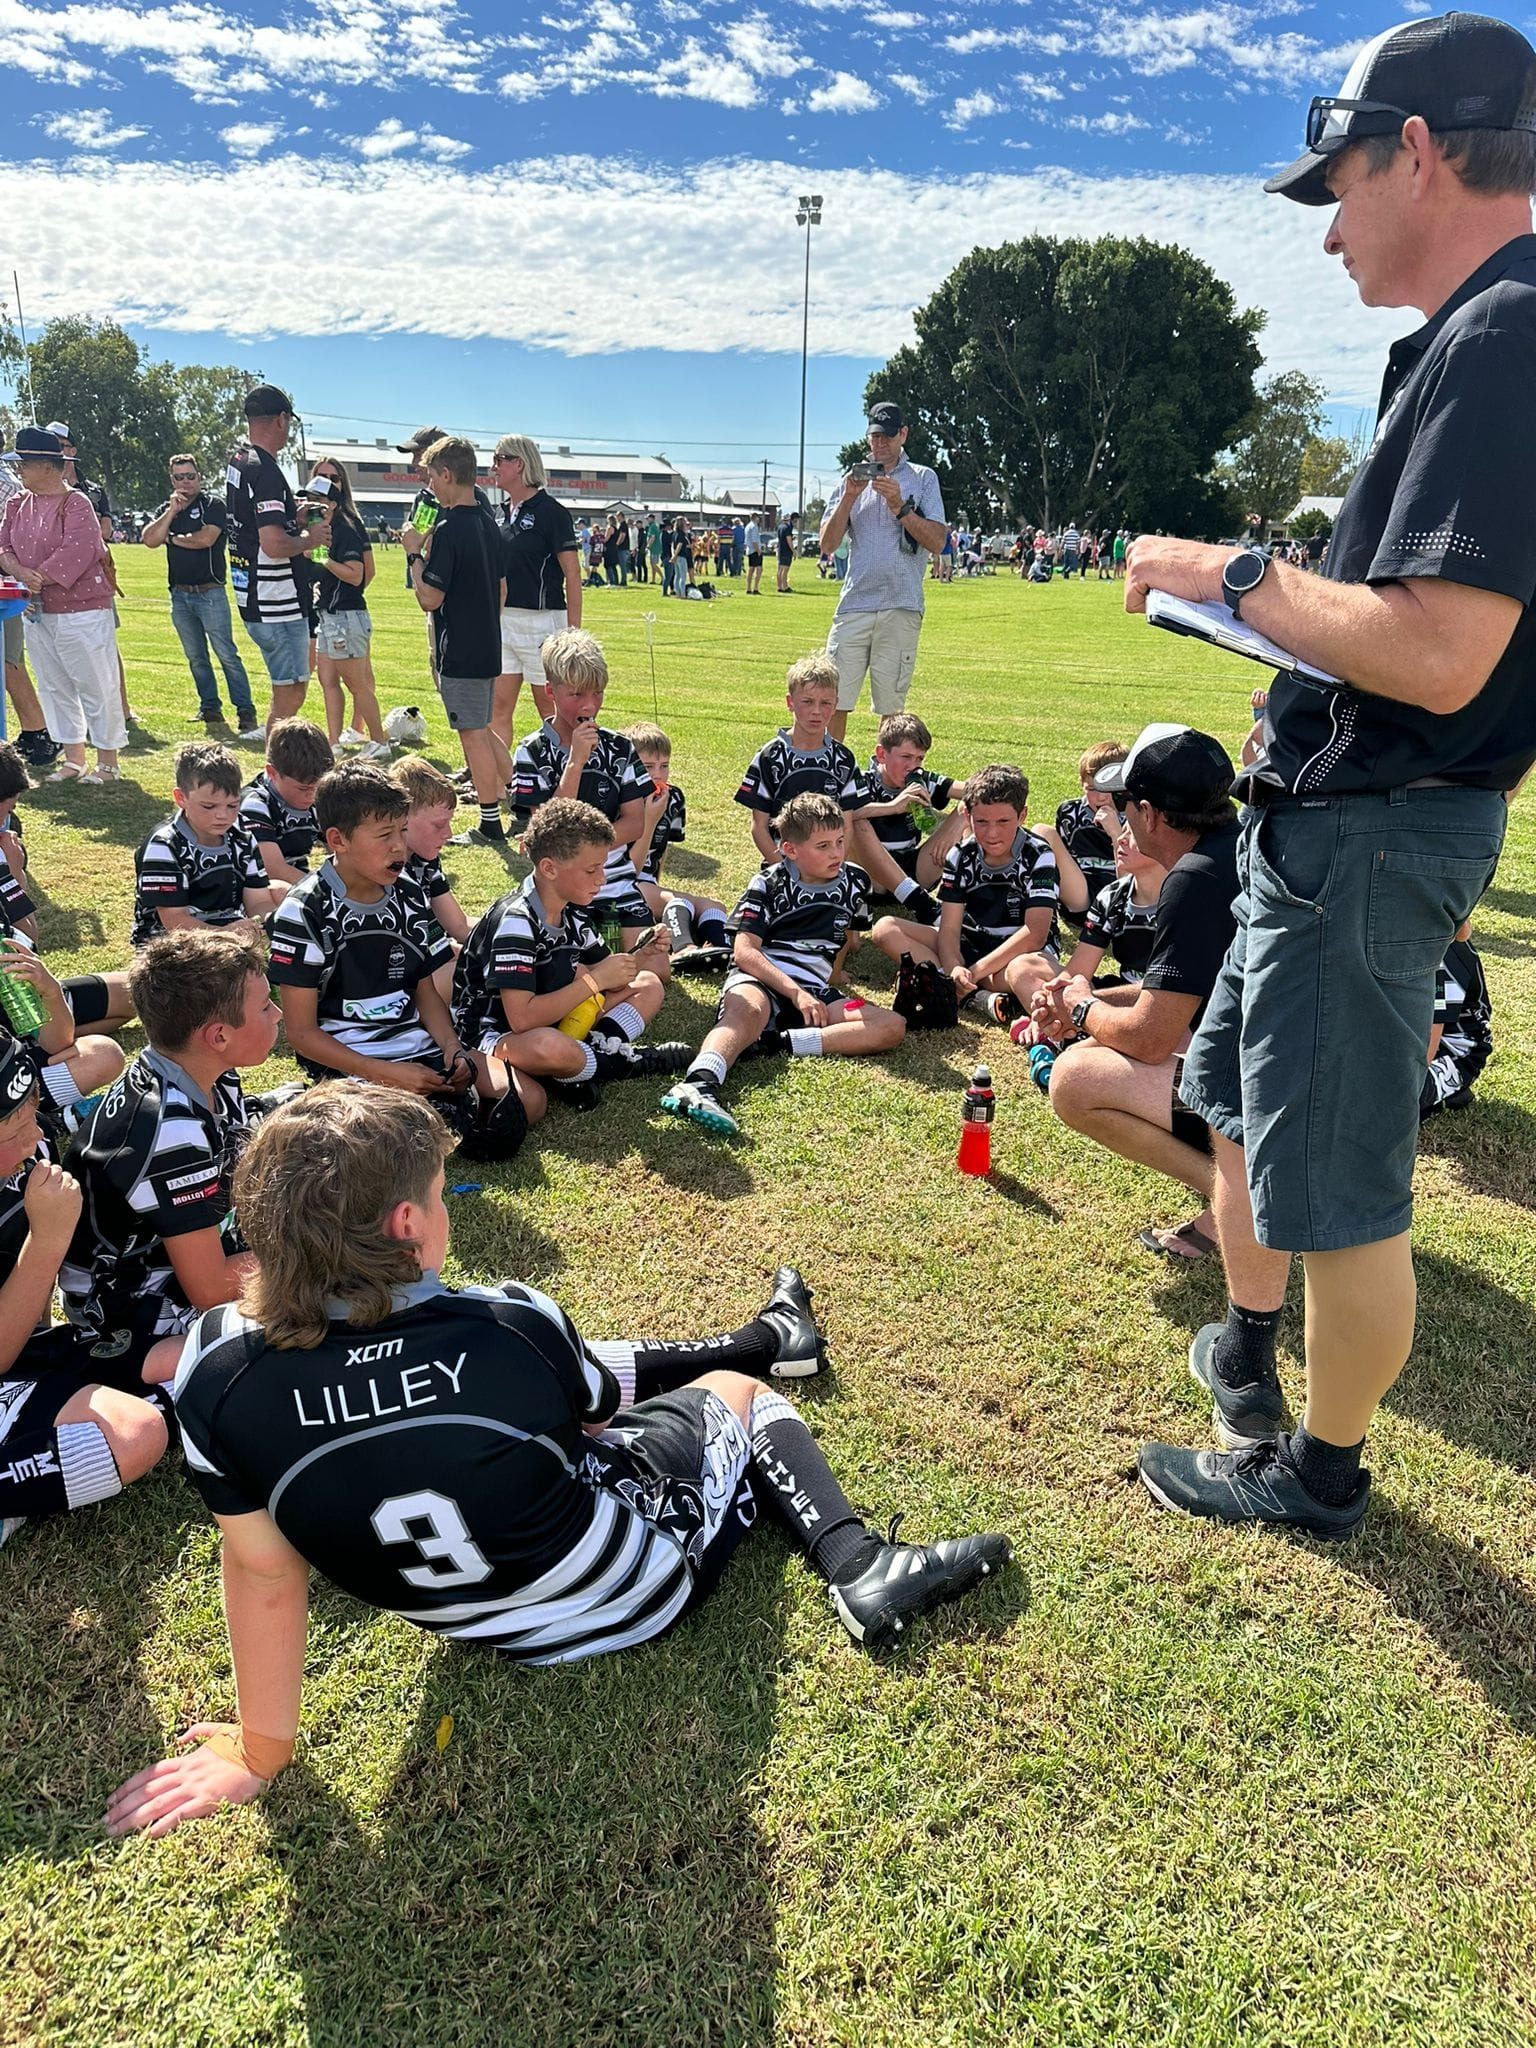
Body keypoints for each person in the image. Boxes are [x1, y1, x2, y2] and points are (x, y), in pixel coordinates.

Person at [103, 1084, 1012, 1836]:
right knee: (737, 1397)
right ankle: (859, 1561)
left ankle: (768, 1337)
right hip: (622, 1594)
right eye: (442, 1192)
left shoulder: (211, 1368)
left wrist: (260, 1751)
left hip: (462, 1619)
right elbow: (594, 1414)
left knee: (552, 1391)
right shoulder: (510, 1319)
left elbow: (264, 1571)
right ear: (410, 1221)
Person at [1126, 12, 1532, 1537]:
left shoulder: (1505, 336)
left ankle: (1322, 1471)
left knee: (1348, 1189)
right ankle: (1247, 1340)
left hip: (1373, 833)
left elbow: (1439, 651)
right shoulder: (1475, 334)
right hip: (1329, 820)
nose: (1329, 228)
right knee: (1241, 1099)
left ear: (1416, 151)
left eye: (1339, 185)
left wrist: (1228, 574)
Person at [1030, 727, 1238, 1266]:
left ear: (1148, 814)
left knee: (1074, 1079)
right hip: (1319, 1085)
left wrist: (1082, 1008)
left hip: (1280, 1101)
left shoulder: (1194, 881)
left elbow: (1150, 1038)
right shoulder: (1234, 849)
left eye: (1122, 804)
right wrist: (1083, 997)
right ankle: (1243, 1188)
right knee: (1092, 1052)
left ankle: (1237, 1198)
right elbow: (1181, 989)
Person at [58, 930, 284, 1371]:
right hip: (134, 1308)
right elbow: (210, 1288)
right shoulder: (170, 1132)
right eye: (264, 1006)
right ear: (218, 1036)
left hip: (186, 1254)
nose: (277, 1013)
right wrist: (319, 1251)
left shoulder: (199, 1069)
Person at [266, 761, 528, 1132]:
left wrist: (452, 1049)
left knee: (523, 1105)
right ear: (338, 840)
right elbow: (301, 1033)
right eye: (384, 835)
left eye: (403, 830)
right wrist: (384, 1073)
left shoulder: (409, 893)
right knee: (401, 1131)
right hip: (350, 1062)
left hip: (416, 1048)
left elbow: (424, 991)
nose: (398, 846)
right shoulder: (304, 910)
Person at [0, 1034, 167, 1546]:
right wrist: (48, 1240)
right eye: (17, 1130)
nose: (35, 1138)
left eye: (34, 1118)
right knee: (135, 1435)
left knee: (178, 1361)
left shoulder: (27, 1145)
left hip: (24, 1347)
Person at [663, 792, 904, 1138]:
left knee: (891, 1026)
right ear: (790, 849)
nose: (836, 853)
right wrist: (795, 993)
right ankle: (698, 1083)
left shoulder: (856, 881)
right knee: (747, 1012)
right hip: (761, 978)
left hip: (815, 990)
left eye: (840, 841)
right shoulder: (768, 882)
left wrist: (833, 979)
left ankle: (774, 1043)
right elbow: (744, 952)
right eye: (823, 846)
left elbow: (844, 939)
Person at [452, 797, 686, 1112]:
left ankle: (583, 1062)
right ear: (549, 868)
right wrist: (595, 981)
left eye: (603, 867)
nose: (602, 879)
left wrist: (640, 955)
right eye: (592, 869)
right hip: (497, 1037)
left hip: (554, 1021)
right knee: (549, 1046)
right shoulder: (517, 922)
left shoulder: (573, 910)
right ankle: (616, 1063)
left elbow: (611, 980)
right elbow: (521, 1019)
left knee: (648, 985)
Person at [509, 628, 663, 960]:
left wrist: (589, 858)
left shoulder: (619, 747)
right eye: (576, 694)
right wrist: (575, 762)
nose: (589, 705)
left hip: (615, 880)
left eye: (597, 693)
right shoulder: (531, 751)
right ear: (550, 690)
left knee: (656, 967)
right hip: (559, 887)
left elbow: (635, 823)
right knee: (570, 966)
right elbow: (546, 833)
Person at [871, 764, 1061, 1024]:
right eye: (981, 822)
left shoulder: (1039, 854)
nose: (992, 833)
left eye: (1003, 821)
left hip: (1019, 955)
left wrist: (974, 970)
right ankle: (970, 993)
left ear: (1022, 816)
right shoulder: (959, 855)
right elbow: (949, 929)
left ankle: (951, 987)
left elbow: (1035, 935)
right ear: (967, 815)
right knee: (885, 929)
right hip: (971, 946)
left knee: (1022, 971)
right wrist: (954, 967)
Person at [0, 426, 125, 785]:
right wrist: (21, 574)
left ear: (47, 466)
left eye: (24, 463)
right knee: (53, 684)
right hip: (36, 611)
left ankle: (108, 761)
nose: (18, 470)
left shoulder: (77, 503)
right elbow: (3, 546)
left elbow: (79, 550)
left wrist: (36, 577)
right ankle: (73, 757)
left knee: (95, 682)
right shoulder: (16, 503)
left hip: (82, 609)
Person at [818, 403, 947, 742]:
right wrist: (848, 498)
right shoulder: (849, 481)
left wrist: (900, 507)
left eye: (887, 436)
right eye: (874, 436)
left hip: (900, 604)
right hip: (854, 604)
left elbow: (937, 541)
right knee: (833, 699)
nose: (880, 444)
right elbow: (828, 544)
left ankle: (885, 772)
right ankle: (830, 767)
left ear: (903, 434)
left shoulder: (923, 478)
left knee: (891, 709)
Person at [404, 437, 510, 847]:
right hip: (487, 641)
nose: (429, 485)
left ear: (447, 475)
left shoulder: (449, 529)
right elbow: (501, 588)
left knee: (472, 733)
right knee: (481, 727)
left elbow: (429, 598)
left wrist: (414, 554)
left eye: (432, 476)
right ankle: (522, 798)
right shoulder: (487, 521)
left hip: (461, 648)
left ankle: (489, 822)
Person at [225, 387, 326, 728]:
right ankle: (276, 760)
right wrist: (310, 538)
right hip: (276, 600)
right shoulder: (265, 470)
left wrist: (291, 518)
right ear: (281, 420)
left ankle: (276, 756)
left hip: (252, 594)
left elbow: (253, 526)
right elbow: (273, 544)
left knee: (288, 691)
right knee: (290, 695)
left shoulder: (240, 460)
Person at [140, 453, 260, 736]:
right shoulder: (168, 509)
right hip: (179, 595)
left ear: (200, 477)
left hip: (210, 593)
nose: (186, 482)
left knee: (227, 654)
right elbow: (149, 539)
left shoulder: (213, 504)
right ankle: (210, 707)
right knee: (196, 657)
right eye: (179, 477)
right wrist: (171, 513)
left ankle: (245, 711)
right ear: (172, 480)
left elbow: (205, 539)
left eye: (190, 476)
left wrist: (171, 538)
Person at [132, 742, 276, 948]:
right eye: (209, 806)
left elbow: (259, 901)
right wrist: (225, 934)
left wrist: (272, 922)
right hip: (169, 946)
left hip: (229, 937)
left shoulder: (243, 837)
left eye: (233, 805)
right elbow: (175, 921)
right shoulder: (164, 845)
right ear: (180, 798)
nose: (222, 815)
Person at [489, 435, 581, 739]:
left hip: (543, 624)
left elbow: (572, 574)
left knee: (551, 710)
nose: (493, 467)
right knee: (498, 708)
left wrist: (573, 634)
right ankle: (500, 770)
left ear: (519, 464)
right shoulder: (498, 512)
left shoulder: (552, 512)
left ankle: (568, 767)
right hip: (503, 621)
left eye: (499, 459)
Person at [623, 720, 734, 972]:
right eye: (648, 767)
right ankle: (683, 950)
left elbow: (661, 853)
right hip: (621, 883)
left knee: (713, 906)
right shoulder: (622, 799)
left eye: (664, 766)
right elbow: (629, 871)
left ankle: (721, 949)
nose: (658, 774)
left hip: (647, 884)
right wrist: (650, 820)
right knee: (677, 901)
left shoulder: (673, 798)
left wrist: (656, 887)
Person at [305, 462, 386, 758]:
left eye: (319, 500)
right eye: (309, 499)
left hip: (346, 616)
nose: (312, 506)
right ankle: (334, 742)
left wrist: (323, 559)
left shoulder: (345, 529)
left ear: (333, 504)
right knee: (327, 680)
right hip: (328, 615)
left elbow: (356, 574)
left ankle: (379, 741)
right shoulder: (318, 531)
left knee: (357, 683)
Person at [856, 711, 967, 894]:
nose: (912, 766)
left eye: (919, 758)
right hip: (872, 875)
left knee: (971, 806)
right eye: (906, 757)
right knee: (855, 820)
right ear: (882, 754)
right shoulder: (861, 782)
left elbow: (980, 790)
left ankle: (975, 884)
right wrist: (892, 807)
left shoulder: (920, 780)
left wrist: (954, 831)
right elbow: (835, 815)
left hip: (913, 871)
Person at [392, 753, 472, 1000]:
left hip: (429, 965)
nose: (448, 834)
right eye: (439, 825)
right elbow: (438, 952)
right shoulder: (389, 871)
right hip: (397, 983)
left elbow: (458, 925)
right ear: (403, 818)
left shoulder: (424, 859)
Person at [0, 434, 57, 768]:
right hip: (12, 580)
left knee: (8, 661)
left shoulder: (6, 485)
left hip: (8, 585)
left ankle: (39, 733)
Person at [238, 717, 334, 897]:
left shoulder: (318, 794)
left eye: (318, 787)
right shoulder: (254, 804)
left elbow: (341, 846)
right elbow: (274, 869)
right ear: (272, 773)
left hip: (299, 882)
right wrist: (328, 891)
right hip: (260, 890)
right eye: (303, 788)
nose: (313, 796)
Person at [1051, 742, 1129, 925]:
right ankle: (1037, 909)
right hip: (1081, 898)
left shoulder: (1136, 814)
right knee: (1042, 832)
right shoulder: (1070, 813)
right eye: (1092, 789)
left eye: (1110, 788)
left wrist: (1117, 834)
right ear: (1082, 784)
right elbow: (1061, 863)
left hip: (1120, 901)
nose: (1101, 797)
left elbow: (1133, 879)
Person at [1422, 923, 1492, 1118]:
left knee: (1381, 1101)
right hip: (1409, 1036)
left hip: (1453, 1052)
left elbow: (1430, 1036)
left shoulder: (1439, 952)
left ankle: (1448, 1090)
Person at [775, 512, 796, 594]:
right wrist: (793, 550)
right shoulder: (787, 528)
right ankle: (785, 586)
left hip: (780, 549)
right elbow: (788, 540)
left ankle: (779, 586)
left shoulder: (780, 527)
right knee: (785, 569)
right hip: (786, 551)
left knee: (780, 569)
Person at [744, 512, 763, 595]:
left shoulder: (748, 526)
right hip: (754, 550)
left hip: (749, 550)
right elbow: (754, 540)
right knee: (759, 569)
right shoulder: (754, 526)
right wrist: (758, 550)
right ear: (755, 518)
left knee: (751, 569)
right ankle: (755, 588)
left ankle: (748, 588)